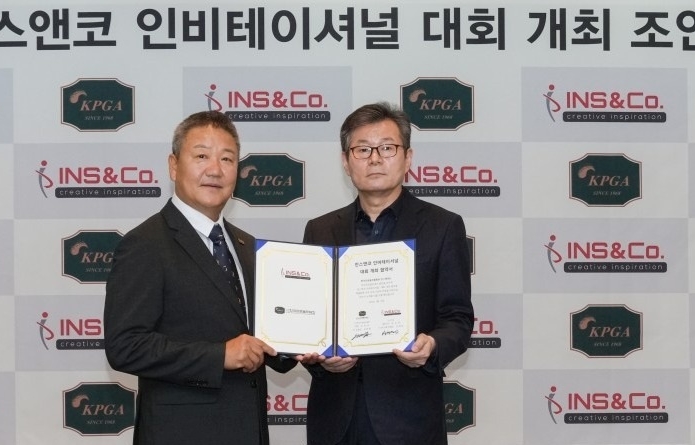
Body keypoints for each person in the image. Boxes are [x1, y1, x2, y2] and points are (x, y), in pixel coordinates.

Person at [104, 110, 295, 445]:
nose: (215, 170)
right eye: (202, 156)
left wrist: (307, 345)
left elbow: (261, 336)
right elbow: (125, 346)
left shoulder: (247, 246)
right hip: (181, 434)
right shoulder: (145, 244)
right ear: (173, 166)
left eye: (227, 159)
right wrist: (219, 356)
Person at [298, 102, 474, 445]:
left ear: (408, 158)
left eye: (387, 148)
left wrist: (431, 346)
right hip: (335, 417)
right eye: (363, 149)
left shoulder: (442, 226)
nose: (375, 159)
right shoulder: (320, 229)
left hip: (409, 419)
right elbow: (309, 322)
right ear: (345, 161)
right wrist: (320, 360)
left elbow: (458, 319)